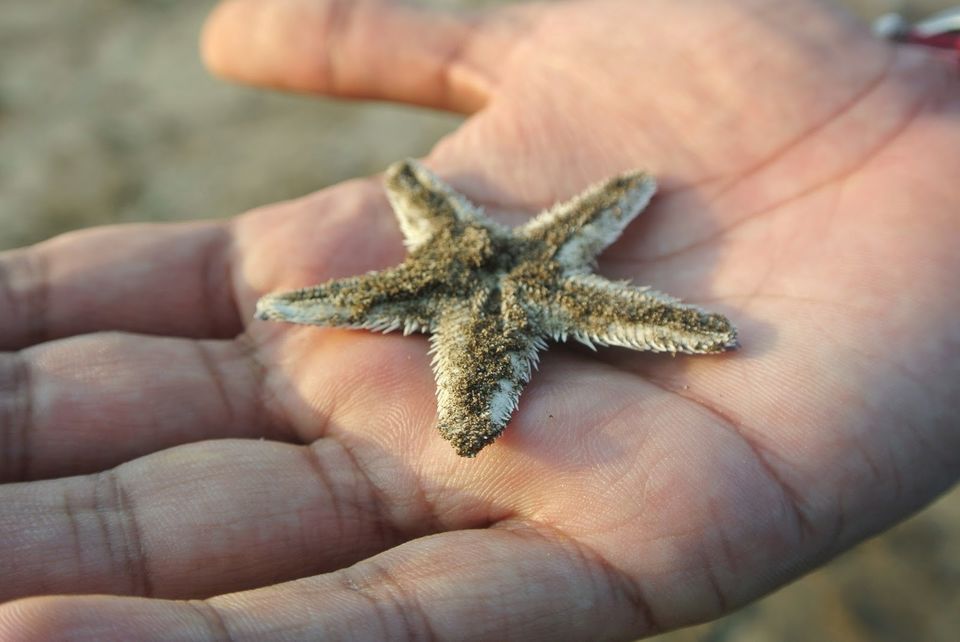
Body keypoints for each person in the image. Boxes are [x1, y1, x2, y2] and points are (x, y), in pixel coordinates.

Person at [1, 0, 958, 639]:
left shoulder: (545, 255)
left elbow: (603, 234)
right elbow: (407, 228)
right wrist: (922, 52)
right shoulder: (470, 249)